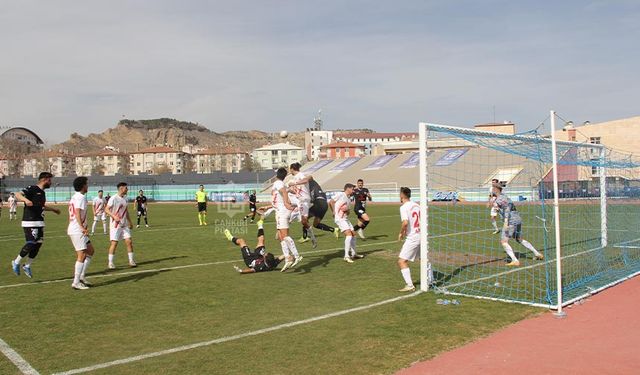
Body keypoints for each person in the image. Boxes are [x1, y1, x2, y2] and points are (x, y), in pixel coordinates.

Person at [10, 172, 61, 278]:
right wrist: (25, 200)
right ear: (44, 179)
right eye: (50, 180)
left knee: (38, 244)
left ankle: (27, 265)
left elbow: (41, 206)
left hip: (39, 222)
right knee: (31, 242)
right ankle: (16, 262)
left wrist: (53, 209)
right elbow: (17, 194)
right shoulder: (32, 188)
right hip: (30, 221)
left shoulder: (42, 193)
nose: (51, 182)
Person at [493, 183, 544, 266]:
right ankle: (537, 253)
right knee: (519, 239)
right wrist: (499, 210)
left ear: (496, 189)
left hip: (511, 221)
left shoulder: (499, 199)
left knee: (504, 241)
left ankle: (515, 260)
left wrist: (506, 222)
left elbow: (506, 209)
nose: (492, 190)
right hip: (517, 219)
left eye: (493, 189)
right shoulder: (505, 197)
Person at [67, 177, 95, 290]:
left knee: (90, 250)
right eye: (86, 184)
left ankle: (82, 277)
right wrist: (82, 227)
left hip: (75, 229)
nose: (88, 186)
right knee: (82, 254)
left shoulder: (74, 196)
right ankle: (76, 282)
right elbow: (77, 212)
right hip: (77, 230)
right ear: (83, 186)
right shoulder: (81, 197)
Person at [272, 167, 302, 272]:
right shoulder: (280, 184)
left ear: (277, 175)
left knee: (284, 236)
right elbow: (282, 194)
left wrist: (285, 203)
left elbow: (283, 192)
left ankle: (296, 256)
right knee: (281, 237)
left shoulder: (278, 183)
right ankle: (287, 258)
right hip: (280, 211)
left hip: (282, 211)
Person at [329, 183, 364, 263]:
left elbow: (348, 212)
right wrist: (334, 211)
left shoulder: (349, 199)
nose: (353, 190)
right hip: (339, 218)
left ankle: (354, 254)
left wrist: (347, 211)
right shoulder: (341, 194)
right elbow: (331, 202)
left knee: (353, 234)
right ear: (347, 188)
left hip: (345, 218)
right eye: (352, 188)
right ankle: (346, 256)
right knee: (349, 234)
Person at [105, 182, 136, 269]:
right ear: (121, 188)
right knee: (114, 243)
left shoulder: (125, 198)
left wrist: (130, 222)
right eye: (126, 188)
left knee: (129, 242)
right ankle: (110, 262)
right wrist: (114, 216)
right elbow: (106, 209)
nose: (127, 189)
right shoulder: (113, 198)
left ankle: (131, 261)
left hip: (124, 224)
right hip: (115, 225)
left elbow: (126, 211)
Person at [397, 187, 422, 292]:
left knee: (402, 261)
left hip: (413, 237)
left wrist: (401, 232)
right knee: (423, 259)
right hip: (422, 235)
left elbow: (405, 222)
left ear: (402, 195)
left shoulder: (403, 207)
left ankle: (410, 285)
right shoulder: (417, 205)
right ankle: (431, 280)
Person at [287, 162, 317, 248]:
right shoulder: (294, 178)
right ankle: (312, 236)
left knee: (303, 221)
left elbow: (305, 180)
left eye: (290, 169)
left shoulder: (300, 175)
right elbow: (296, 190)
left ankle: (313, 238)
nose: (290, 171)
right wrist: (290, 190)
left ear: (292, 169)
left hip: (304, 200)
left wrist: (295, 183)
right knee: (303, 221)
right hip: (298, 200)